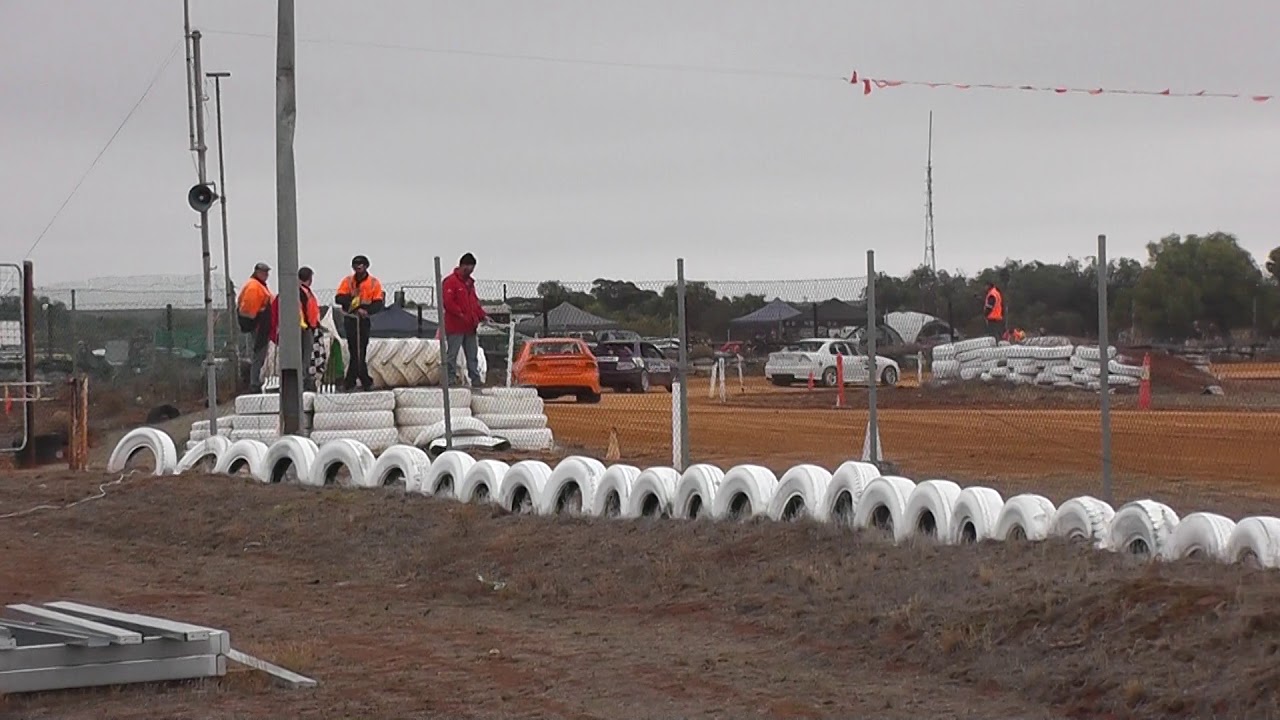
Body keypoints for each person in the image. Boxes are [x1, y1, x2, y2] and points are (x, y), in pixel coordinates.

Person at [335, 255, 385, 392]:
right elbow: (339, 298)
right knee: (354, 350)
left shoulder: (374, 283)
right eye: (356, 264)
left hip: (364, 321)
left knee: (360, 350)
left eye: (361, 264)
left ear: (366, 266)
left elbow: (378, 303)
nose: (358, 267)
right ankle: (362, 380)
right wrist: (355, 306)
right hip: (351, 319)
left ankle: (354, 380)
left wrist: (366, 311)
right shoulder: (348, 281)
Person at [269, 266, 322, 391]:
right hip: (304, 328)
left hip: (301, 327)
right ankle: (303, 380)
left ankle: (301, 379)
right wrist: (311, 325)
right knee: (305, 355)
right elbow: (305, 311)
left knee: (301, 355)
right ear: (309, 278)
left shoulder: (293, 291)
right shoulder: (301, 292)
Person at [441, 252, 487, 389]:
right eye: (470, 268)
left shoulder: (470, 284)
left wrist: (482, 315)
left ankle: (476, 380)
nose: (471, 271)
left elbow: (474, 303)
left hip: (469, 327)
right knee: (452, 355)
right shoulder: (450, 282)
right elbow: (448, 303)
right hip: (455, 327)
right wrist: (461, 314)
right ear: (463, 266)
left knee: (472, 356)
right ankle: (450, 379)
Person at [236, 262, 275, 393]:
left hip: (261, 325)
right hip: (259, 326)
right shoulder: (254, 287)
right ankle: (254, 383)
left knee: (260, 354)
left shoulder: (259, 285)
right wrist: (256, 320)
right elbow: (248, 310)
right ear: (257, 272)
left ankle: (255, 381)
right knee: (259, 354)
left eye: (267, 272)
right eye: (265, 272)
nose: (267, 275)